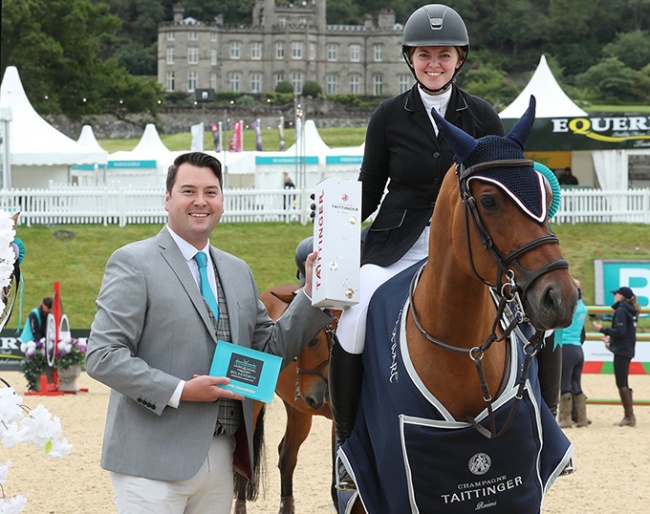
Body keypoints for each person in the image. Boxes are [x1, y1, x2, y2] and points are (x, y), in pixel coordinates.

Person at [85, 151, 331, 514]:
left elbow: (269, 350)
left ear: (221, 202)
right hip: (151, 462)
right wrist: (180, 390)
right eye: (188, 191)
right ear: (167, 199)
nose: (200, 201)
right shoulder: (133, 262)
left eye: (211, 192)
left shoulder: (237, 271)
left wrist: (310, 295)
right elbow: (102, 356)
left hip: (221, 457)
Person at [328, 3, 506, 492]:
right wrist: (332, 232)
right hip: (397, 247)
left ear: (459, 59)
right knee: (356, 316)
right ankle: (346, 444)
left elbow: (506, 186)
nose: (434, 63)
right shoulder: (389, 116)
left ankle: (546, 428)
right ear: (410, 59)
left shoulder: (482, 114)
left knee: (528, 316)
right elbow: (368, 189)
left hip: (469, 252)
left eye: (443, 55)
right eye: (424, 54)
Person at [593, 286, 641, 427]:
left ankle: (629, 415)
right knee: (623, 381)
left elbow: (619, 331)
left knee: (621, 383)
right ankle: (629, 414)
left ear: (621, 296)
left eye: (616, 294)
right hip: (628, 348)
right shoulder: (630, 310)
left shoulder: (621, 310)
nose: (614, 296)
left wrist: (602, 330)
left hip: (622, 350)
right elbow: (624, 332)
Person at [556, 279, 589, 429]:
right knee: (577, 383)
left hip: (566, 347)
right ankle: (582, 418)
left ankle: (566, 419)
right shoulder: (583, 307)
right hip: (578, 348)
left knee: (565, 383)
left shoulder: (570, 307)